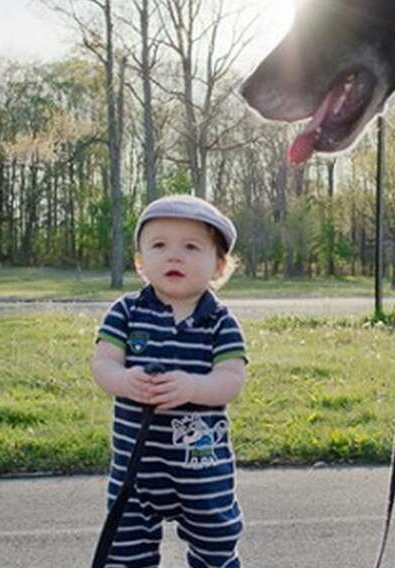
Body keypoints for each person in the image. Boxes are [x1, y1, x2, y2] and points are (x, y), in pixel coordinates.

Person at [92, 194, 247, 568]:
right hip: (136, 471)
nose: (174, 256)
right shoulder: (126, 313)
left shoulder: (221, 322)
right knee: (124, 552)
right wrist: (124, 380)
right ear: (141, 262)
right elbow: (103, 363)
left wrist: (194, 388)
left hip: (203, 468)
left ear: (219, 266)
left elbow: (231, 379)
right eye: (159, 245)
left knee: (216, 548)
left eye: (192, 247)